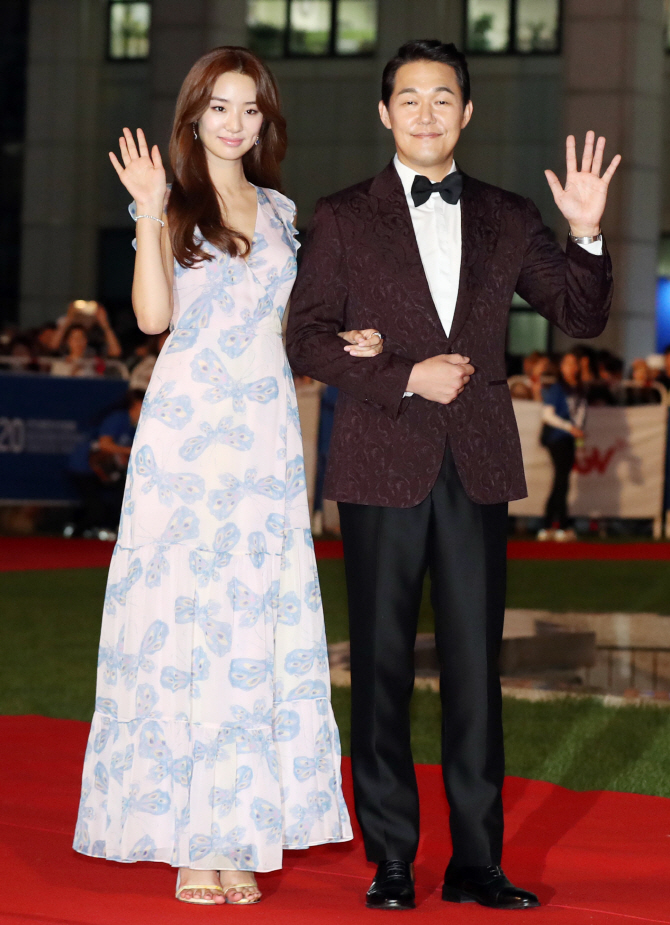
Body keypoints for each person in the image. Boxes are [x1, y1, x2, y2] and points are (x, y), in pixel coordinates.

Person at [286, 39, 617, 912]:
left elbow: (580, 315)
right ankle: (392, 857)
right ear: (384, 112)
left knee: (476, 670)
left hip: (476, 465)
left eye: (443, 98)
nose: (426, 113)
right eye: (410, 98)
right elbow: (306, 335)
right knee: (382, 669)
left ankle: (477, 860)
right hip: (379, 461)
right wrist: (404, 374)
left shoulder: (509, 215)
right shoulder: (343, 215)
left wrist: (586, 233)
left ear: (466, 113)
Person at [72, 45, 383, 906]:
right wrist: (146, 211)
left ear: (265, 119)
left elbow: (289, 324)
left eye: (250, 108)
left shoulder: (281, 211)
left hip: (264, 439)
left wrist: (344, 340)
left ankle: (235, 830)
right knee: (184, 625)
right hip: (187, 438)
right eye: (219, 106)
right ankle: (189, 839)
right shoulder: (171, 202)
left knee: (252, 628)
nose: (235, 122)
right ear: (194, 115)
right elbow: (151, 316)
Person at [65, 389, 145, 539]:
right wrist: (130, 451)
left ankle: (111, 529)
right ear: (137, 404)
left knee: (122, 496)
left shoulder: (134, 426)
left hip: (105, 471)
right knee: (97, 510)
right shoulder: (118, 418)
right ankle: (74, 535)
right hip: (85, 467)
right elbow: (104, 445)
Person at [538, 352, 586, 542]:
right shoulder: (558, 388)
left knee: (561, 481)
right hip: (557, 438)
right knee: (561, 481)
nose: (571, 367)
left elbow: (580, 415)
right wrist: (569, 427)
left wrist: (578, 434)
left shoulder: (579, 389)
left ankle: (550, 525)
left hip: (570, 439)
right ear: (561, 367)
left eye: (574, 363)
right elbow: (547, 415)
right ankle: (559, 525)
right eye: (567, 363)